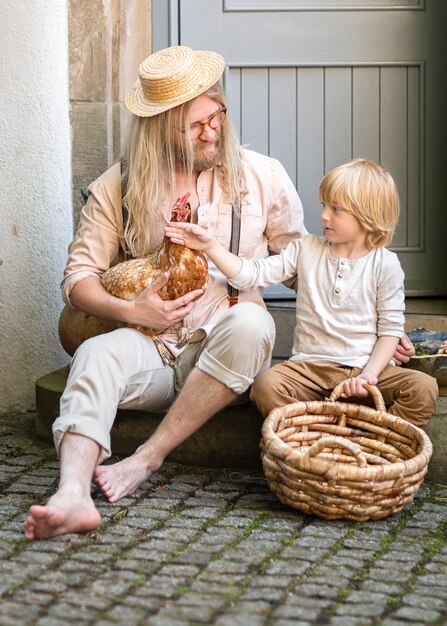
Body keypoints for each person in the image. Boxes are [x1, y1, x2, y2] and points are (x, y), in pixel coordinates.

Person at [24, 46, 413, 540]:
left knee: (252, 322)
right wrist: (131, 308)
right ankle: (72, 494)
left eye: (218, 116)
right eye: (195, 125)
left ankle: (147, 459)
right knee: (96, 355)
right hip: (151, 347)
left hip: (226, 356)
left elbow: (308, 267)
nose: (213, 131)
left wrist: (377, 330)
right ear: (161, 126)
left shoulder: (262, 175)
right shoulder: (118, 184)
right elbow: (77, 279)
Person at [165, 157, 438, 426]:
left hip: (364, 370)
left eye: (336, 209)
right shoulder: (304, 249)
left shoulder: (386, 264)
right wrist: (210, 246)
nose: (324, 215)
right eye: (324, 206)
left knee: (424, 388)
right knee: (265, 387)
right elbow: (252, 275)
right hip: (308, 371)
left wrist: (368, 376)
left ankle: (376, 438)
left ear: (367, 216)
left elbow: (390, 331)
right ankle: (323, 433)